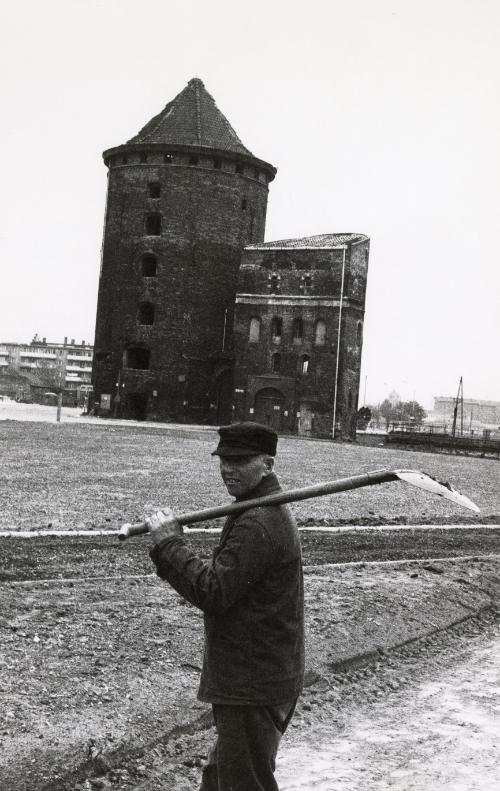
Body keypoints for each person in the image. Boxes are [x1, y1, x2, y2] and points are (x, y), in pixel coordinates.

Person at [146, 421, 304, 791]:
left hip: (253, 683)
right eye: (224, 460)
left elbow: (213, 592)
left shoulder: (259, 522)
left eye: (241, 460)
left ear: (267, 464)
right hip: (258, 675)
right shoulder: (256, 510)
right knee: (220, 781)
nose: (228, 469)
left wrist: (170, 545)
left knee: (243, 784)